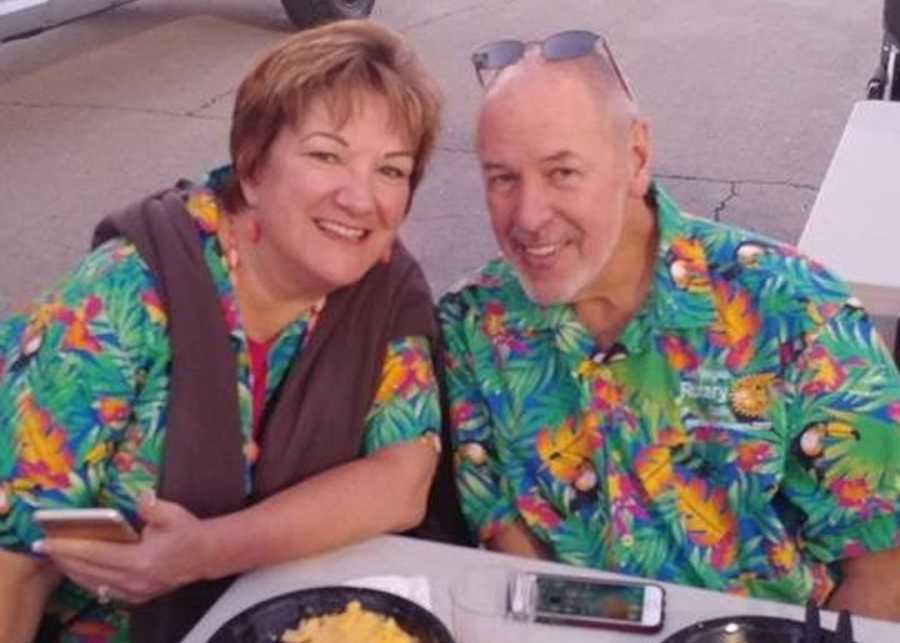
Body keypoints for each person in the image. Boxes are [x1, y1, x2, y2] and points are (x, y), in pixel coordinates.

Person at [0, 19, 445, 643]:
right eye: (326, 155)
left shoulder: (384, 285)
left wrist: (208, 550)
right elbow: (16, 559)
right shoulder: (128, 294)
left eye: (392, 171)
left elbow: (402, 479)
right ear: (253, 167)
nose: (360, 199)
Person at [438, 30, 900, 621]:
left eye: (562, 173)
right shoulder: (474, 325)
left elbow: (883, 565)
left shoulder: (796, 311)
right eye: (503, 178)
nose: (528, 216)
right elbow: (508, 545)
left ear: (635, 157)